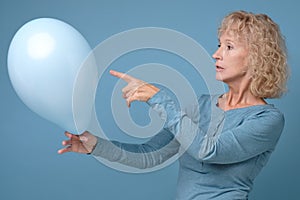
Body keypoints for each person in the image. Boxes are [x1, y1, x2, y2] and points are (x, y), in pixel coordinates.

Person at [58, 10, 289, 200]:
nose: (216, 54)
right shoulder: (202, 106)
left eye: (228, 47)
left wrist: (157, 98)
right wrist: (96, 145)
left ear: (256, 58)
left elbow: (209, 151)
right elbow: (150, 154)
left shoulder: (266, 120)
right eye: (219, 45)